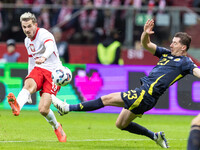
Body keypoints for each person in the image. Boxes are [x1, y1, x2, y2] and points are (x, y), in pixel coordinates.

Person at [52, 19, 200, 148]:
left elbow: (196, 72)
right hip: (143, 93)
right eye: (172, 42)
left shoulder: (185, 62)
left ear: (183, 47)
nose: (172, 45)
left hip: (146, 94)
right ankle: (155, 136)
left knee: (107, 99)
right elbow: (146, 44)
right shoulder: (166, 53)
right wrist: (146, 33)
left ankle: (67, 108)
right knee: (121, 124)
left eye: (175, 43)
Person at [7, 12, 67, 142]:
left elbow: (50, 46)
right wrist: (29, 76)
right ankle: (18, 106)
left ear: (35, 24)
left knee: (43, 109)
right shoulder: (27, 41)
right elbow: (31, 60)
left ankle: (57, 127)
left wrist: (44, 57)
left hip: (54, 73)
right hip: (39, 69)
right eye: (24, 27)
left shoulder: (44, 34)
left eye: (29, 26)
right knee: (28, 85)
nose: (27, 30)